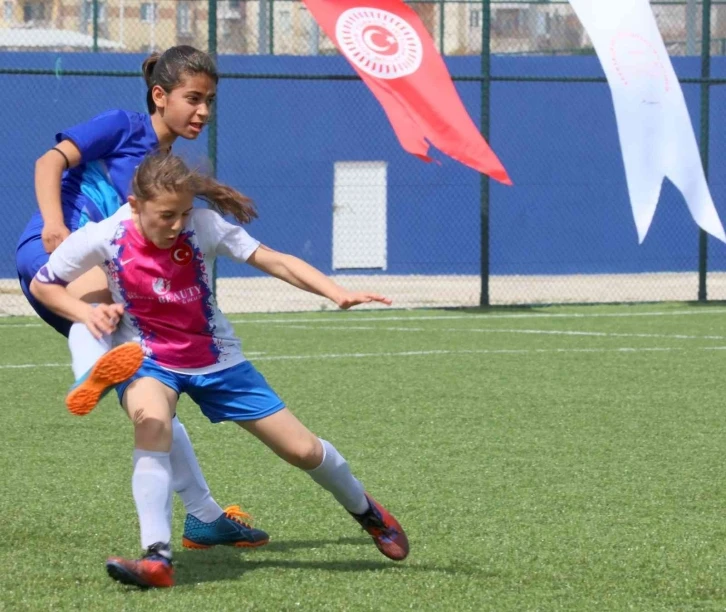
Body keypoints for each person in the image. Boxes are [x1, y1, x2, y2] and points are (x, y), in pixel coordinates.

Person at [29, 152, 410, 589]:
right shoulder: (105, 236)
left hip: (217, 359)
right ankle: (156, 556)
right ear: (135, 205)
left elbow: (275, 260)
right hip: (148, 358)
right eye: (166, 215)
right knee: (152, 424)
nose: (177, 225)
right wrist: (85, 312)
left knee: (303, 450)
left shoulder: (204, 226)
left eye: (184, 212)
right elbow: (43, 284)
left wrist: (335, 291)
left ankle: (367, 511)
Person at [16, 46, 267, 551]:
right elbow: (49, 161)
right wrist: (54, 224)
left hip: (97, 274)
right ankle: (89, 371)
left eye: (209, 101)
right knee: (106, 328)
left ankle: (204, 515)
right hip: (56, 252)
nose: (203, 111)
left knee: (153, 405)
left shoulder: (164, 167)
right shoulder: (123, 126)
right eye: (193, 99)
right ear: (159, 95)